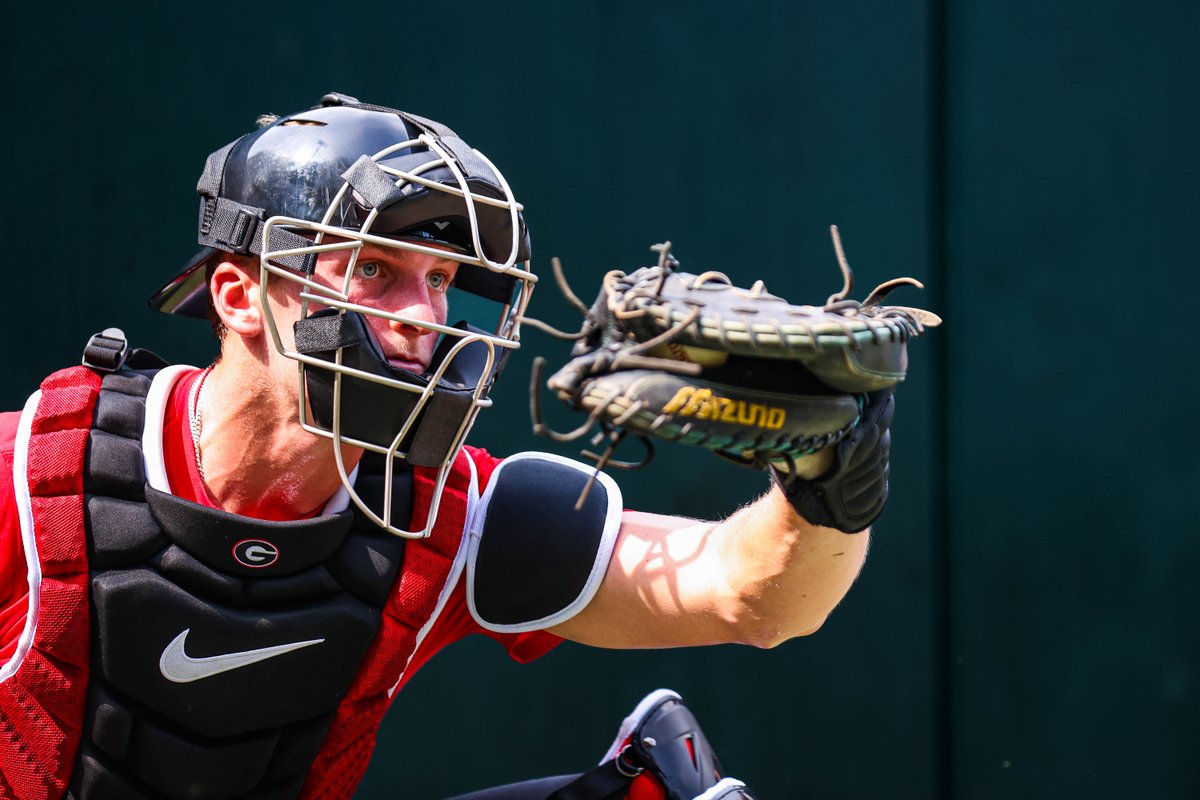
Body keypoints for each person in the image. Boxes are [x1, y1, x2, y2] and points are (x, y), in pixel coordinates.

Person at [0, 93, 888, 800]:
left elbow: (755, 601)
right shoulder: (38, 473)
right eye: (376, 269)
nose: (424, 319)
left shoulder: (447, 513)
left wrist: (833, 478)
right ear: (239, 294)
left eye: (442, 283)